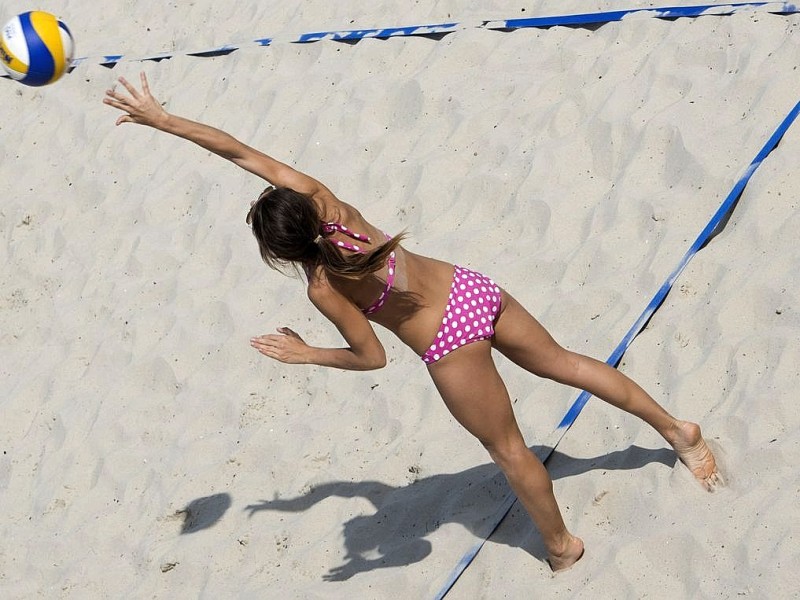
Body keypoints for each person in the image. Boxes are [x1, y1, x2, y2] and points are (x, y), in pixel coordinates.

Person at [104, 72, 721, 571]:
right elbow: (239, 151)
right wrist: (164, 120)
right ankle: (680, 433)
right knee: (569, 364)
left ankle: (561, 547)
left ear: (282, 256)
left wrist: (306, 353)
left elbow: (372, 358)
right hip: (473, 288)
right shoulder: (329, 203)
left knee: (508, 451)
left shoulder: (324, 287)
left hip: (452, 348)